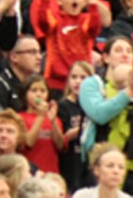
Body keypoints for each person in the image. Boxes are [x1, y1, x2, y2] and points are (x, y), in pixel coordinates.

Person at [79, 37, 133, 198]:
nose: (125, 55)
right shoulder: (93, 84)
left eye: (129, 51)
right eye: (118, 50)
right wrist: (127, 93)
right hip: (108, 163)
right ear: (106, 57)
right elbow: (99, 114)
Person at [36, 0, 102, 94]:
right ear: (59, 0)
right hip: (55, 82)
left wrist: (93, 5)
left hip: (83, 82)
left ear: (84, 0)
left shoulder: (86, 19)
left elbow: (94, 27)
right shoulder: (56, 19)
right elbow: (43, 21)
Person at [57, 61, 94, 193]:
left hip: (90, 162)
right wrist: (85, 127)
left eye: (83, 77)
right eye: (74, 77)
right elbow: (62, 137)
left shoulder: (95, 105)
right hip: (71, 161)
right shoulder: (63, 105)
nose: (78, 81)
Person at [19, 75, 65, 172]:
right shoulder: (20, 118)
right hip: (29, 171)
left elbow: (60, 145)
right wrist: (41, 116)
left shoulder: (54, 119)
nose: (39, 94)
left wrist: (53, 122)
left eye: (43, 91)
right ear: (25, 94)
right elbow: (28, 142)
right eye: (34, 90)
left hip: (51, 172)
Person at [0, 35, 42, 111]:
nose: (39, 57)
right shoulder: (1, 84)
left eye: (39, 52)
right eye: (32, 52)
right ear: (14, 57)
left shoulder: (38, 85)